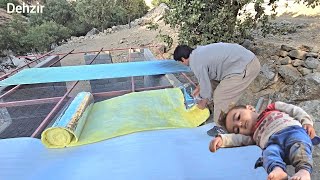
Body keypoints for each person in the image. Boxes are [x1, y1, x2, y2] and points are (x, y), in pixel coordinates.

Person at [209, 101, 316, 180]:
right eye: (237, 129)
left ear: (250, 108)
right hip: (273, 144)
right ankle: (278, 170)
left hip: (291, 131)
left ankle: (303, 171)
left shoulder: (272, 107)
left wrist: (306, 122)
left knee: (299, 144)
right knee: (268, 153)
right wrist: (221, 139)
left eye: (238, 117)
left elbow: (294, 110)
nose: (240, 124)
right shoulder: (253, 136)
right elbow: (236, 139)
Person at [173, 42, 261, 125]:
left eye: (180, 63)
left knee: (220, 97)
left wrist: (201, 104)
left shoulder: (195, 63)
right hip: (245, 60)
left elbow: (205, 89)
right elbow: (206, 78)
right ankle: (219, 110)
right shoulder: (198, 53)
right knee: (212, 86)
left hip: (245, 66)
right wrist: (199, 88)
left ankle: (220, 129)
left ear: (183, 59)